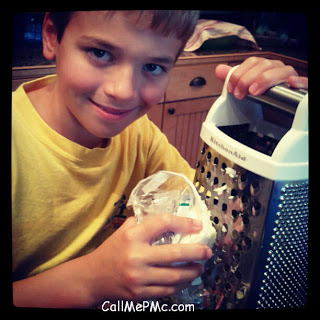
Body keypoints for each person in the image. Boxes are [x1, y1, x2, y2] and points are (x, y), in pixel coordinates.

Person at [12, 10, 308, 308]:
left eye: (152, 66)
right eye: (99, 53)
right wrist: (91, 279)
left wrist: (283, 116)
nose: (124, 91)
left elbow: (218, 223)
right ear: (51, 36)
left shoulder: (139, 135)